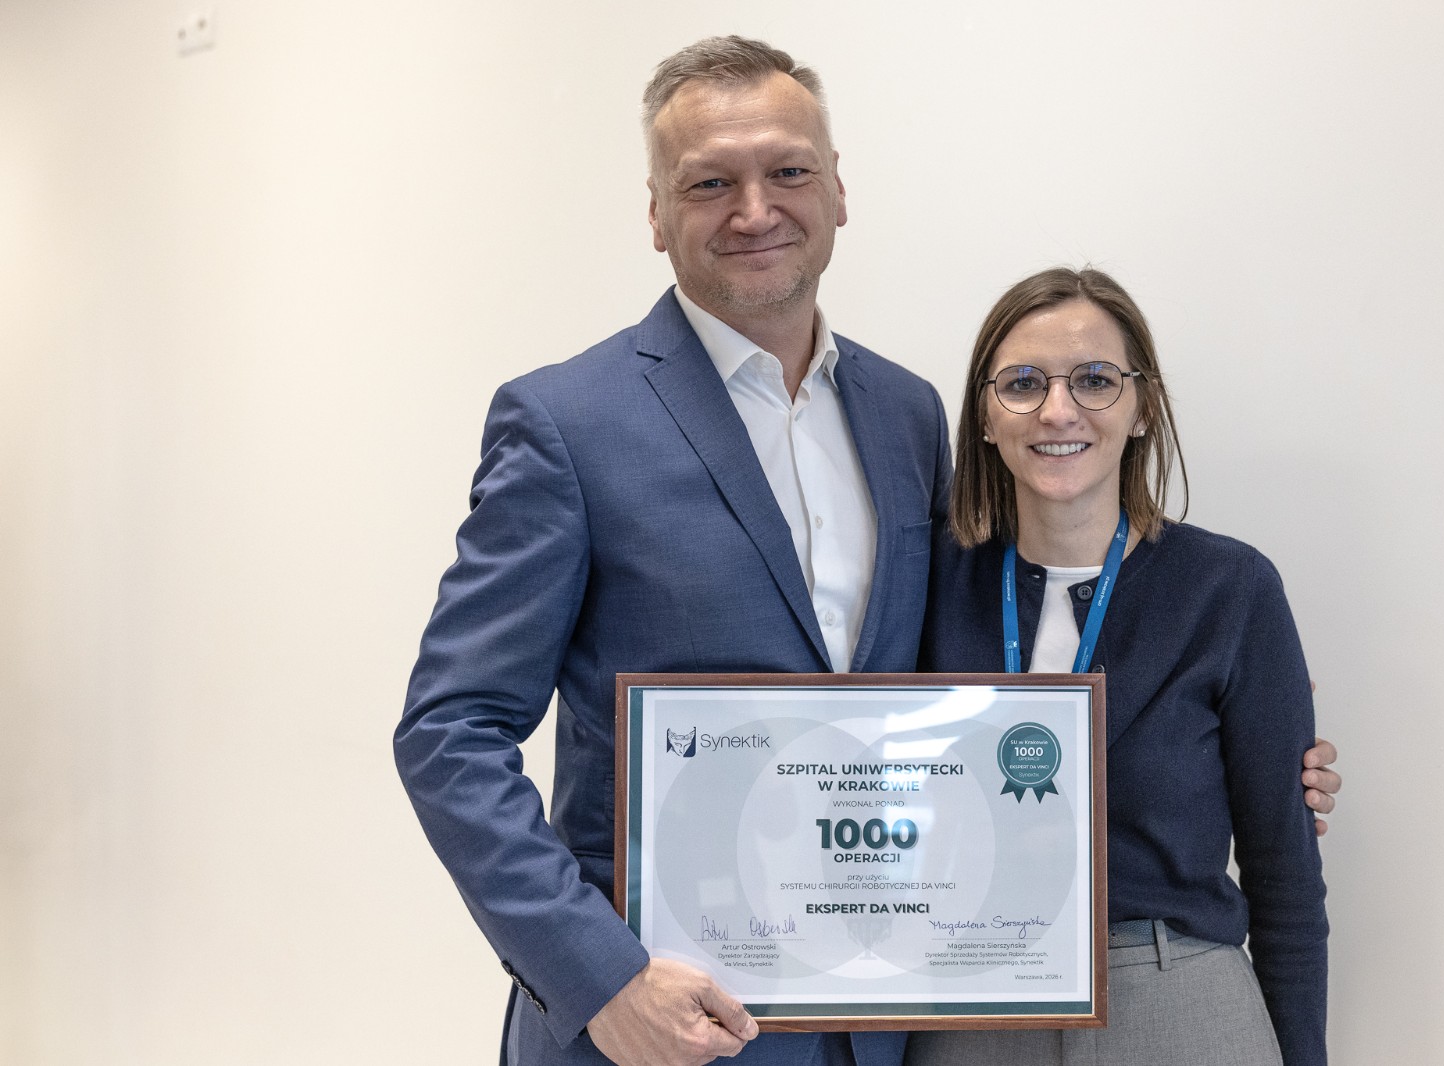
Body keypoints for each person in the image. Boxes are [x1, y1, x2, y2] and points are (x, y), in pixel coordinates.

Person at [394, 37, 1340, 1066]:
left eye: (788, 170)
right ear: (657, 214)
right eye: (709, 182)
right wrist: (599, 976)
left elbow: (953, 689)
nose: (755, 209)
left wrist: (1257, 762)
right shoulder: (566, 423)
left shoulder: (903, 414)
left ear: (837, 191)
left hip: (885, 1023)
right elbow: (450, 730)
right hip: (663, 1025)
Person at [910, 267, 1329, 1065]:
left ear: (1143, 409)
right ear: (986, 418)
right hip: (973, 999)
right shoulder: (926, 586)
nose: (1058, 410)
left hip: (1175, 996)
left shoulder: (1230, 590)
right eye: (1023, 384)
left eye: (1096, 380)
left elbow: (1286, 881)